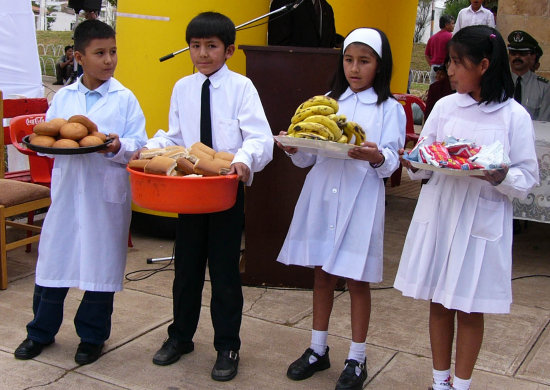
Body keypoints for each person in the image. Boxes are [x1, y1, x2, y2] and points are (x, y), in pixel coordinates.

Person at [394, 26, 539, 390]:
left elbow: (527, 177)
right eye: (450, 63)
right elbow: (426, 156)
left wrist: (497, 177)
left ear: (484, 65)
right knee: (439, 301)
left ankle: (461, 385)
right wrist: (413, 162)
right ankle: (439, 381)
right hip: (441, 212)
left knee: (470, 306)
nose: (450, 71)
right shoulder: (445, 106)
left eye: (458, 63)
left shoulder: (513, 116)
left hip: (481, 217)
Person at [133, 12, 273, 382]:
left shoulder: (242, 87)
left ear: (228, 50)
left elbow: (260, 137)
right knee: (186, 267)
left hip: (225, 192)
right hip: (189, 192)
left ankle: (227, 345)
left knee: (225, 271)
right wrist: (150, 149)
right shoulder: (182, 87)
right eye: (196, 46)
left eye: (211, 46)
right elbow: (175, 135)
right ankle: (180, 337)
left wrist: (243, 160)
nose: (203, 54)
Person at [276, 28, 405, 390]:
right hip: (324, 194)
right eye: (349, 60)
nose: (355, 68)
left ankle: (357, 357)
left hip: (361, 197)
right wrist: (294, 148)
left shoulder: (390, 109)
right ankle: (318, 349)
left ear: (380, 66)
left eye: (364, 61)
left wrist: (376, 155)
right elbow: (308, 156)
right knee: (322, 274)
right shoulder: (327, 101)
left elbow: (392, 159)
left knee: (357, 278)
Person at [13, 20, 147, 366]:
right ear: (78, 57)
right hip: (68, 194)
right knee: (54, 263)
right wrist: (47, 146)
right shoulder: (63, 98)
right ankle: (39, 332)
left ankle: (91, 337)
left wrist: (117, 146)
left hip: (106, 196)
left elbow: (139, 146)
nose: (109, 60)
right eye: (100, 53)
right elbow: (47, 141)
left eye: (113, 52)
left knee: (99, 269)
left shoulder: (125, 98)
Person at [507, 30, 550, 122]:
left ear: (533, 56)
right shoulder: (499, 83)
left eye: (522, 54)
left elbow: (544, 122)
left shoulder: (544, 87)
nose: (517, 57)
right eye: (513, 53)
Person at [268, 0, 342, 47]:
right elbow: (277, 42)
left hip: (320, 67)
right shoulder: (286, 2)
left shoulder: (327, 8)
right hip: (292, 66)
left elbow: (328, 40)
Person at [425, 15, 454, 84]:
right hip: (445, 68)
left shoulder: (432, 38)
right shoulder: (451, 37)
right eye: (452, 23)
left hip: (434, 68)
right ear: (447, 25)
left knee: (434, 90)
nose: (454, 26)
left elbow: (426, 55)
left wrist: (432, 65)